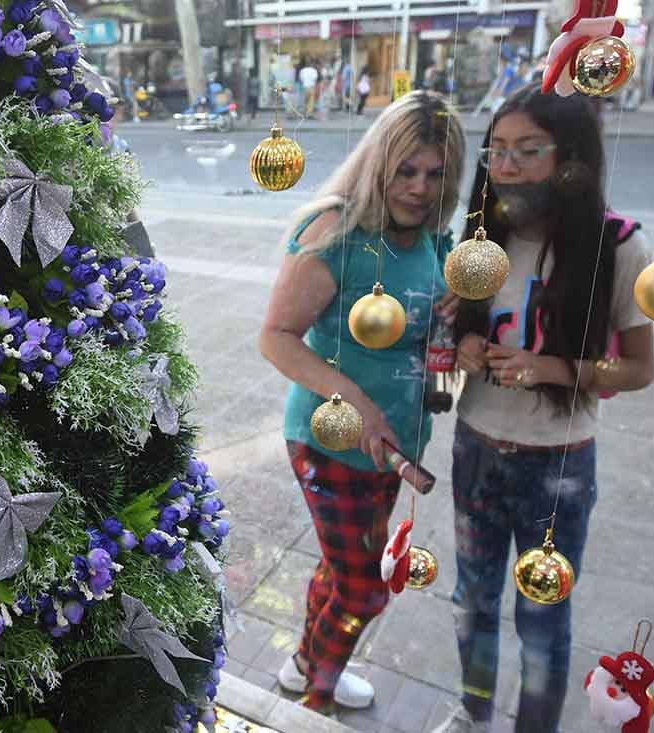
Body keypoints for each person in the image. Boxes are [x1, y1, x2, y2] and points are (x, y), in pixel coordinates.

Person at [433, 84, 654, 733]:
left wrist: (554, 368)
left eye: (527, 151)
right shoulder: (479, 237)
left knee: (542, 614)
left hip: (557, 466)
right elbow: (448, 336)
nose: (505, 166)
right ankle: (473, 713)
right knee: (472, 600)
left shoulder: (617, 245)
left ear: (570, 159)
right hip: (476, 447)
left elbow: (640, 369)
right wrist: (466, 345)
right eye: (497, 150)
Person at [259, 91, 465, 714]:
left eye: (435, 173)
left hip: (395, 444)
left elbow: (419, 327)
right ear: (380, 163)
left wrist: (450, 317)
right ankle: (313, 708)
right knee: (362, 588)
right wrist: (355, 401)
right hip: (330, 438)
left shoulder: (434, 236)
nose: (421, 187)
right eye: (407, 170)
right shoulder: (334, 231)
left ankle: (305, 662)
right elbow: (276, 337)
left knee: (339, 568)